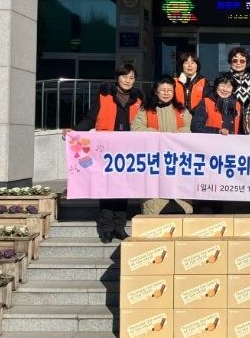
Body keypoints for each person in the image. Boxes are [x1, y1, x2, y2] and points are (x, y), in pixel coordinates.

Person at [68, 63, 144, 243]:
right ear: (117, 77)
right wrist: (75, 131)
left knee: (123, 190)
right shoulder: (104, 95)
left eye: (132, 77)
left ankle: (119, 227)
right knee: (107, 189)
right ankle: (106, 228)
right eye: (124, 76)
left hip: (128, 152)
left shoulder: (138, 98)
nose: (128, 80)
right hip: (106, 151)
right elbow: (90, 119)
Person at [132, 75, 194, 215]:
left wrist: (178, 134)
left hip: (177, 162)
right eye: (163, 90)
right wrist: (156, 134)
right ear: (156, 91)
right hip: (154, 162)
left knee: (181, 203)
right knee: (155, 203)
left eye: (169, 90)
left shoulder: (181, 110)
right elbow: (136, 128)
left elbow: (192, 128)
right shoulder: (146, 109)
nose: (166, 93)